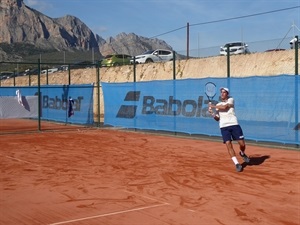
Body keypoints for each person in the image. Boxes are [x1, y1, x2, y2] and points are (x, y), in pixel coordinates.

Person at [208, 87, 250, 172]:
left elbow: (225, 107)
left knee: (242, 144)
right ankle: (237, 164)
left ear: (227, 94)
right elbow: (217, 118)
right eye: (221, 92)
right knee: (228, 144)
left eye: (224, 92)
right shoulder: (218, 105)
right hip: (224, 127)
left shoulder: (231, 100)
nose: (222, 94)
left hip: (234, 124)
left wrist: (212, 106)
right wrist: (212, 113)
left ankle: (242, 153)